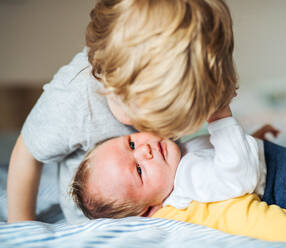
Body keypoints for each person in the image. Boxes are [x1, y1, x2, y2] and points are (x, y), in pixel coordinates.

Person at [7, 0, 237, 224]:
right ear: (107, 80)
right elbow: (27, 153)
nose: (152, 137)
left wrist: (237, 140)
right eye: (147, 120)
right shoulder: (75, 99)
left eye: (168, 125)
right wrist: (23, 229)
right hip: (92, 225)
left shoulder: (185, 81)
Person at [70, 105, 286, 247]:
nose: (145, 151)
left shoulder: (179, 161)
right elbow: (237, 174)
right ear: (148, 210)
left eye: (131, 144)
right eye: (138, 170)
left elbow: (220, 157)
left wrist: (254, 139)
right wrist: (220, 117)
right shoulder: (188, 181)